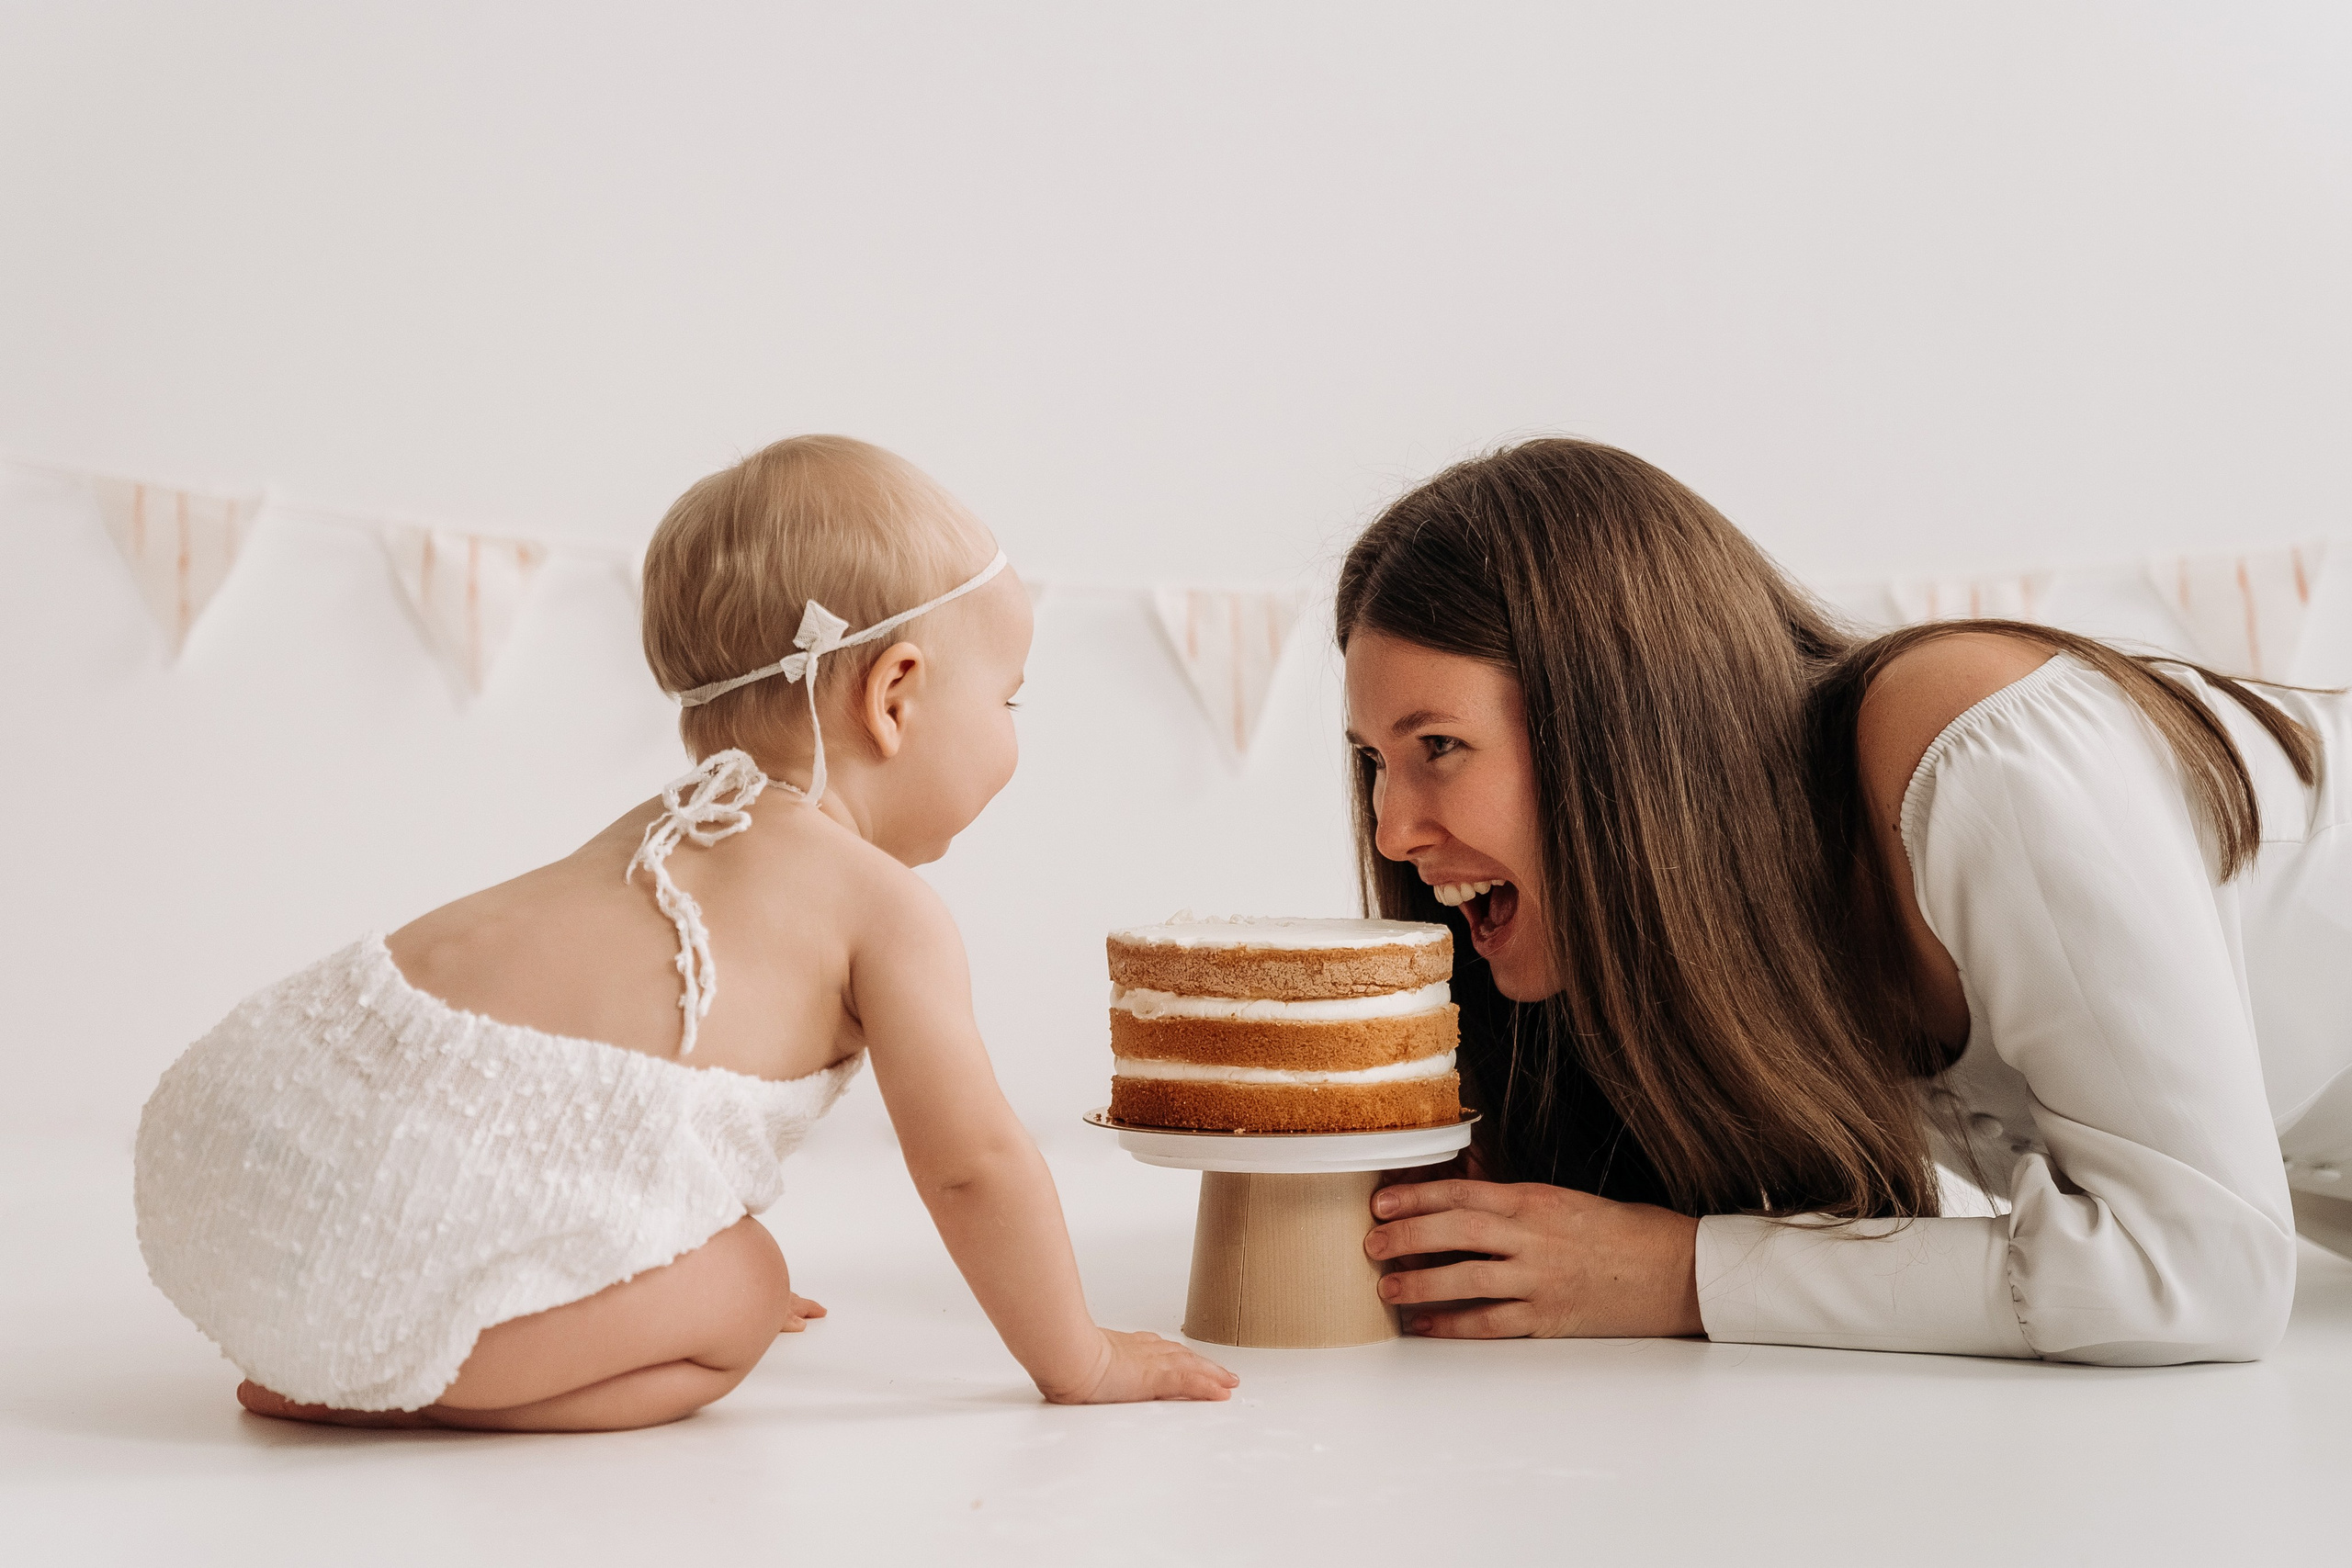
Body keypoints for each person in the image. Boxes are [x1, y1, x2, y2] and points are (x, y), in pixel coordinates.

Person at [134, 434, 1237, 1429]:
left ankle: (343, 1346)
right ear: (895, 695)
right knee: (745, 1289)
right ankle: (393, 1377)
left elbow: (546, 1122)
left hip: (255, 1135)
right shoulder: (883, 909)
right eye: (1010, 700)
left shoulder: (656, 833)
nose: (1010, 733)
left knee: (667, 1250)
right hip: (395, 1240)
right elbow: (973, 1166)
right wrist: (1080, 1361)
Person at [1340, 437, 2352, 1364]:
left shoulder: (1970, 751)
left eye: (1439, 746)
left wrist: (1678, 1272)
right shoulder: (1736, 941)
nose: (1391, 830)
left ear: (1619, 726)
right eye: (1374, 762)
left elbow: (2201, 1277)